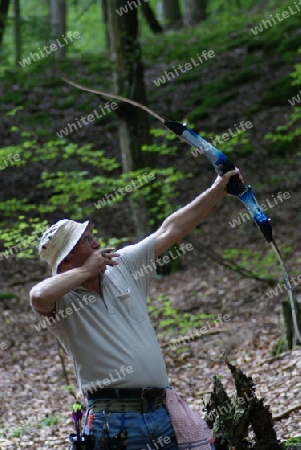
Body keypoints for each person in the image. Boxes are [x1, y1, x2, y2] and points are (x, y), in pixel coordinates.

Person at [30, 168, 243, 450]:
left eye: (93, 235)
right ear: (67, 260)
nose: (96, 243)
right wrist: (87, 271)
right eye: (86, 240)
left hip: (159, 410)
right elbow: (37, 296)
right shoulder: (62, 301)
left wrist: (219, 190)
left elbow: (170, 230)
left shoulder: (123, 265)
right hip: (112, 420)